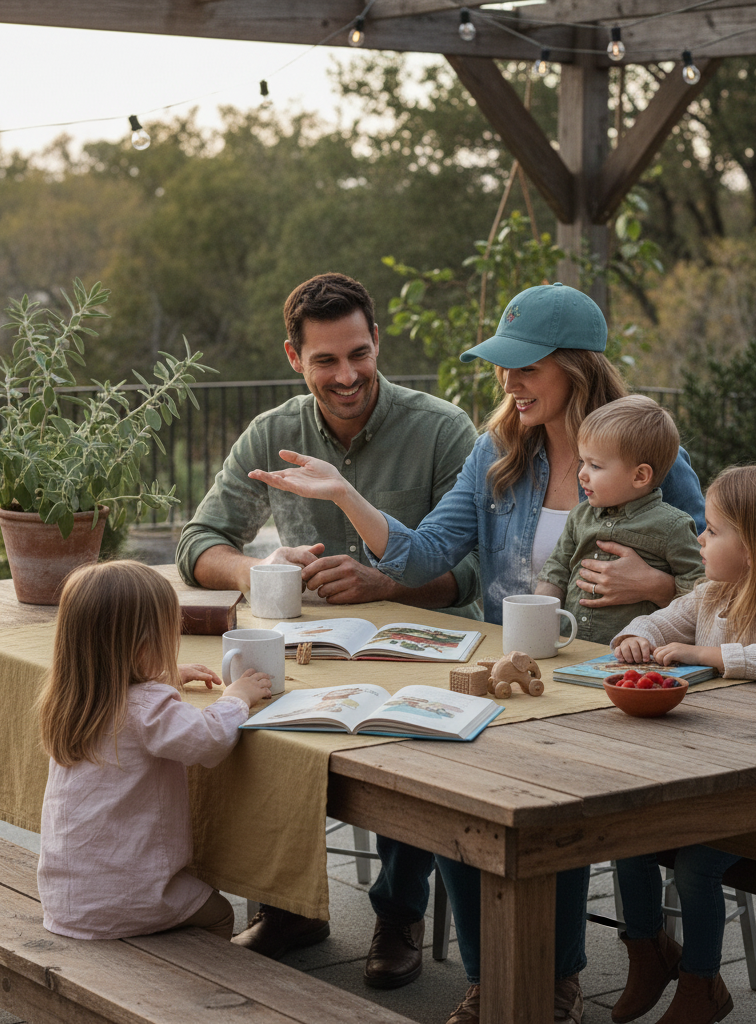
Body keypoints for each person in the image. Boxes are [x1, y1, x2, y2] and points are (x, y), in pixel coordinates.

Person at [248, 282, 707, 1024]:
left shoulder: (646, 452)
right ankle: (496, 976)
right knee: (452, 785)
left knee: (538, 798)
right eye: (503, 365)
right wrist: (345, 497)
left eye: (527, 366)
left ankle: (547, 981)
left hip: (613, 684)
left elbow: (717, 570)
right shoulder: (497, 451)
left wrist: (654, 580)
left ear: (578, 367)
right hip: (519, 678)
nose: (509, 380)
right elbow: (425, 553)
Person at [176, 272, 481, 987]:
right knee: (240, 721)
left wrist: (391, 580)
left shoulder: (443, 429)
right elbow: (200, 541)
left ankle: (398, 913)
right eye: (325, 360)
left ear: (377, 341)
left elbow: (473, 570)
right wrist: (260, 572)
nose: (346, 375)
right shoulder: (273, 432)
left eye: (357, 354)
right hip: (314, 648)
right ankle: (288, 906)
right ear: (294, 358)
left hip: (429, 647)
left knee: (413, 743)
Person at [609, 463, 756, 1024]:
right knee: (623, 834)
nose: (700, 539)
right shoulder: (713, 594)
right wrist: (635, 638)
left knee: (695, 864)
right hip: (716, 777)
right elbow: (660, 621)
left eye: (713, 531)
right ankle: (646, 951)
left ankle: (701, 983)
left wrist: (707, 655)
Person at [35, 560, 272, 941]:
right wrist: (236, 697)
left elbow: (120, 685)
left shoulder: (71, 698)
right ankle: (202, 991)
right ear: (143, 649)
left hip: (67, 897)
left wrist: (165, 674)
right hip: (127, 898)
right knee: (219, 913)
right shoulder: (147, 709)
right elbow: (209, 739)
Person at [536, 395, 705, 644]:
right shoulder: (580, 516)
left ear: (639, 476)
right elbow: (557, 569)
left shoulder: (673, 527)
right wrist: (537, 614)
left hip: (636, 656)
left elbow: (699, 591)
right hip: (573, 644)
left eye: (595, 466)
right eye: (582, 461)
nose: (581, 474)